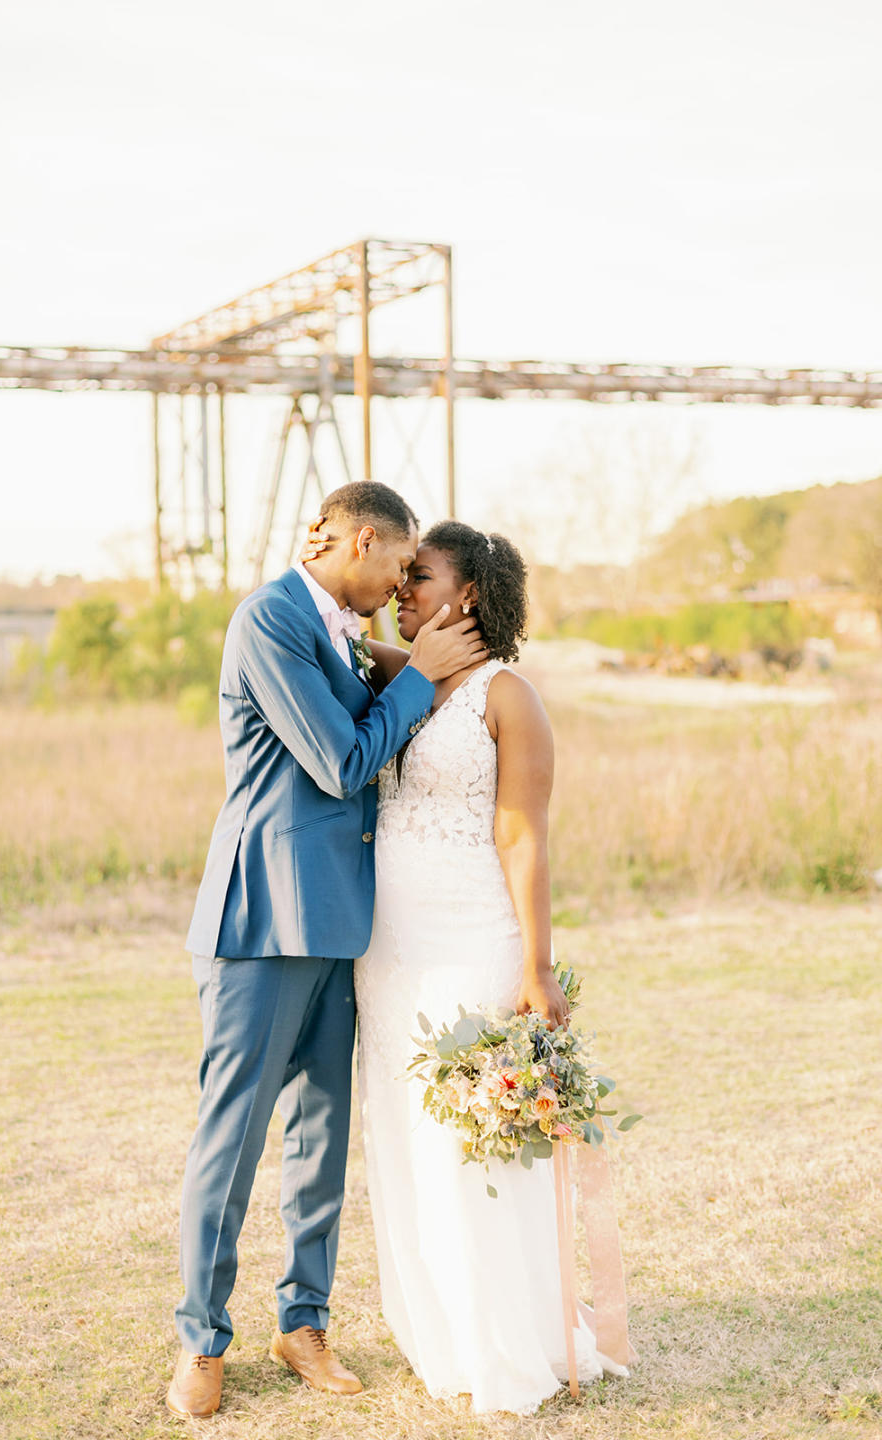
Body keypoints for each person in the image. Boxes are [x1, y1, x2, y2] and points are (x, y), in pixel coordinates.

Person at [166, 483, 487, 1421]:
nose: (397, 586)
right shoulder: (269, 620)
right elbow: (341, 761)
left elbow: (372, 712)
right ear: (356, 540)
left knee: (321, 1138)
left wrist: (429, 667)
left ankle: (302, 1322)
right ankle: (200, 1339)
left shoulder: (339, 628)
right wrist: (420, 674)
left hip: (341, 925)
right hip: (261, 925)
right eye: (395, 566)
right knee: (231, 1141)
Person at [310, 518, 630, 1413]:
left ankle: (508, 1339)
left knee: (467, 1144)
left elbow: (522, 834)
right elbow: (331, 627)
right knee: (407, 1139)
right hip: (390, 952)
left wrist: (537, 966)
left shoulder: (507, 695)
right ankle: (441, 1331)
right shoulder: (398, 676)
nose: (402, 589)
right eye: (400, 576)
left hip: (473, 937)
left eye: (421, 577)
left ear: (471, 595)